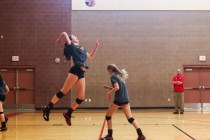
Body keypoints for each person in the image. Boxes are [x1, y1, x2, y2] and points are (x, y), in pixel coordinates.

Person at [41, 32, 100, 126]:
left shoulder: (82, 48)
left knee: (81, 97)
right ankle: (47, 108)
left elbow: (91, 57)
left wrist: (96, 47)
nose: (76, 36)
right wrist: (60, 38)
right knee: (64, 91)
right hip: (76, 69)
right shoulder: (71, 45)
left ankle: (68, 114)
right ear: (72, 40)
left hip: (81, 72)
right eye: (74, 36)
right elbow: (64, 33)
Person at [101, 64, 145, 140]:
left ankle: (109, 136)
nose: (107, 72)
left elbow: (117, 88)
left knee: (108, 116)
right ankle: (141, 135)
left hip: (119, 99)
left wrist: (109, 93)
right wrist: (110, 88)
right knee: (130, 118)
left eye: (107, 70)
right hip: (125, 98)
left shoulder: (113, 77)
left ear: (110, 70)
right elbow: (119, 88)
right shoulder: (120, 76)